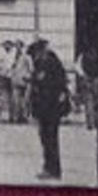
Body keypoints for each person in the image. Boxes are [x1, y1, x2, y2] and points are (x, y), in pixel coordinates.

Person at [26, 38, 70, 180]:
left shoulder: (50, 63)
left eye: (35, 54)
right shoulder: (43, 63)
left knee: (50, 139)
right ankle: (49, 167)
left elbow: (52, 85)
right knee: (46, 139)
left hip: (50, 109)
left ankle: (53, 169)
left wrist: (36, 81)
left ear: (41, 51)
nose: (34, 58)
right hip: (44, 108)